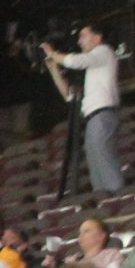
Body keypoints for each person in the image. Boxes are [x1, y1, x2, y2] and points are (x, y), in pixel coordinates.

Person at [44, 22, 123, 194]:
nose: (79, 41)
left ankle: (117, 196)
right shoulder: (94, 71)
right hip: (93, 117)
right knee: (96, 162)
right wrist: (53, 68)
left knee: (103, 157)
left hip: (102, 114)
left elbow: (76, 61)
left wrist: (53, 54)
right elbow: (69, 95)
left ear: (97, 38)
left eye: (83, 36)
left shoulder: (104, 51)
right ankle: (104, 197)